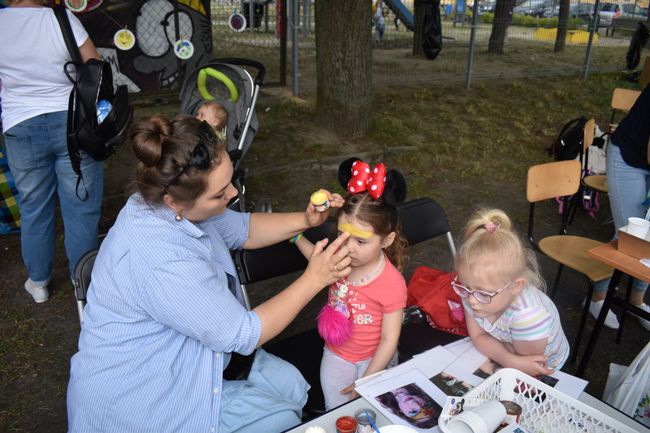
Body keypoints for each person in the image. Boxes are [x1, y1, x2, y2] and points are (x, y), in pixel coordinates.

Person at [66, 115, 352, 433]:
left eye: (230, 180)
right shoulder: (162, 260)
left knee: (294, 388)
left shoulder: (169, 200)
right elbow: (244, 334)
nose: (232, 193)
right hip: (144, 404)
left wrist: (306, 220)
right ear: (173, 201)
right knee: (285, 418)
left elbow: (242, 229)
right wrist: (315, 278)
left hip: (188, 366)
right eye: (219, 194)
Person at [0, 0, 103, 302]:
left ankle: (39, 282)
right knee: (81, 207)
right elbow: (95, 63)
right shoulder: (62, 19)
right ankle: (82, 282)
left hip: (20, 126)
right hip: (73, 124)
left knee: (33, 206)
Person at [293, 158, 408, 410]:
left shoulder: (392, 283)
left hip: (376, 359)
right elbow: (315, 256)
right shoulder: (339, 258)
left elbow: (390, 339)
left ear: (387, 240)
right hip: (337, 355)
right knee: (338, 411)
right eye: (343, 235)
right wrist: (295, 235)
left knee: (374, 410)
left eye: (361, 241)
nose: (349, 247)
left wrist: (368, 378)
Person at [455, 208, 570, 377]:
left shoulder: (528, 316)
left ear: (515, 286)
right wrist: (510, 359)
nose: (471, 300)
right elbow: (478, 336)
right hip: (513, 354)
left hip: (548, 369)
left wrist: (505, 355)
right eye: (465, 286)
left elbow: (530, 366)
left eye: (484, 293)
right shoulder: (473, 290)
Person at [589, 83, 650, 331]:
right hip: (629, 159)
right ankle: (596, 298)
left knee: (648, 236)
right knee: (630, 235)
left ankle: (636, 300)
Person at [375, 384, 440, 429]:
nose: (416, 404)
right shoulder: (416, 385)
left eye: (413, 411)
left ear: (402, 412)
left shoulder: (381, 400)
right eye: (425, 405)